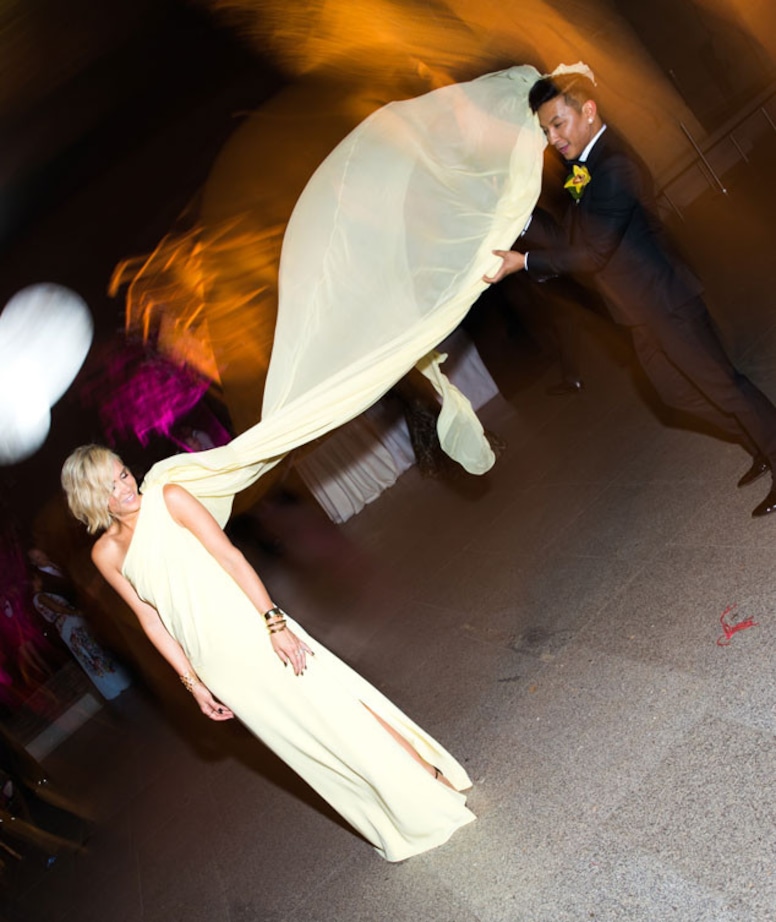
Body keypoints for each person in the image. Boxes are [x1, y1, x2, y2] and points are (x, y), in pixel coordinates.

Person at [60, 445, 474, 861]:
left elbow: (230, 556)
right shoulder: (106, 553)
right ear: (91, 500)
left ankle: (428, 776)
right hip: (218, 664)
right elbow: (150, 620)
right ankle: (389, 812)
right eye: (108, 486)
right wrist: (193, 682)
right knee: (307, 745)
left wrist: (274, 623)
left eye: (123, 473)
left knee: (341, 709)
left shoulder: (170, 498)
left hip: (253, 631)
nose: (124, 488)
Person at [484, 70, 776, 517]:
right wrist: (520, 220)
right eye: (545, 130)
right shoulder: (582, 168)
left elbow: (593, 252)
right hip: (638, 309)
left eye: (558, 124)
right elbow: (570, 233)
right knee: (675, 394)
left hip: (665, 300)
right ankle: (758, 441)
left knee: (726, 387)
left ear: (588, 111)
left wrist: (524, 264)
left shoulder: (614, 165)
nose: (553, 138)